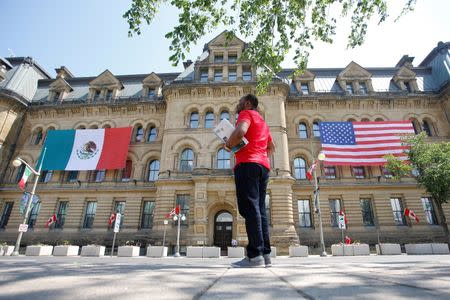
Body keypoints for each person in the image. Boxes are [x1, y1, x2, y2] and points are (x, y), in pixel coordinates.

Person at [225, 94, 275, 268]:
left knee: (249, 209)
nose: (238, 105)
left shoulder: (246, 113)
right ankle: (265, 254)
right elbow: (272, 147)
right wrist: (260, 156)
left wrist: (229, 144)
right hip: (263, 167)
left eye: (240, 102)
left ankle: (254, 256)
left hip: (247, 166)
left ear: (247, 103)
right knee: (260, 210)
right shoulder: (263, 121)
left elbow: (240, 132)